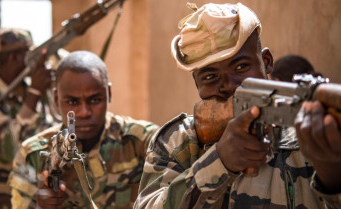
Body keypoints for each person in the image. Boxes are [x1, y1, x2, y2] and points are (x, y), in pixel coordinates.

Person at [134, 3, 341, 209]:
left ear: (266, 62)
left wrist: (331, 175)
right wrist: (219, 162)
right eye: (211, 76)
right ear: (197, 84)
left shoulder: (308, 131)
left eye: (241, 67)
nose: (229, 86)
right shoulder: (178, 142)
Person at [9, 50, 160, 208]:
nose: (84, 112)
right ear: (56, 99)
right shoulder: (32, 154)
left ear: (108, 93)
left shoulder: (141, 141)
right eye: (72, 102)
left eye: (95, 100)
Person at [0, 27, 54, 209]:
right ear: (15, 57)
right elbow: (8, 147)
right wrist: (34, 95)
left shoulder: (27, 86)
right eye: (28, 53)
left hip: (33, 194)